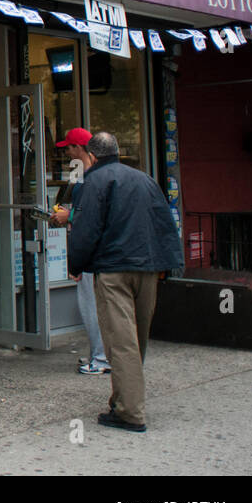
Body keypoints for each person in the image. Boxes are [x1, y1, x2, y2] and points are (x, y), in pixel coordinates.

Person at [68, 132, 183, 433]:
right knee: (136, 339)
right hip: (147, 268)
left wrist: (76, 264)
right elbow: (164, 222)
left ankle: (130, 413)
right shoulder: (144, 179)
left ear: (92, 156)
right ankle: (122, 400)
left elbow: (86, 228)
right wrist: (167, 265)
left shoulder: (94, 181)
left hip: (114, 269)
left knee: (120, 342)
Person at [50, 127, 110, 376]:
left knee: (91, 304)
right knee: (95, 304)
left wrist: (68, 216)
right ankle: (100, 352)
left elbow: (91, 215)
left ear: (79, 148)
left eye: (68, 147)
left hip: (90, 252)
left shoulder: (90, 177)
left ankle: (101, 357)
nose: (66, 152)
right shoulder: (88, 175)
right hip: (93, 250)